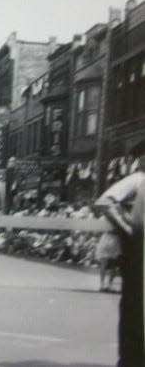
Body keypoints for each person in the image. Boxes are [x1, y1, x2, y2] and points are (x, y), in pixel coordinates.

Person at [95, 139, 145, 367]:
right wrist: (127, 229)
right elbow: (104, 202)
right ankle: (131, 360)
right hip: (139, 251)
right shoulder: (138, 179)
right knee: (136, 305)